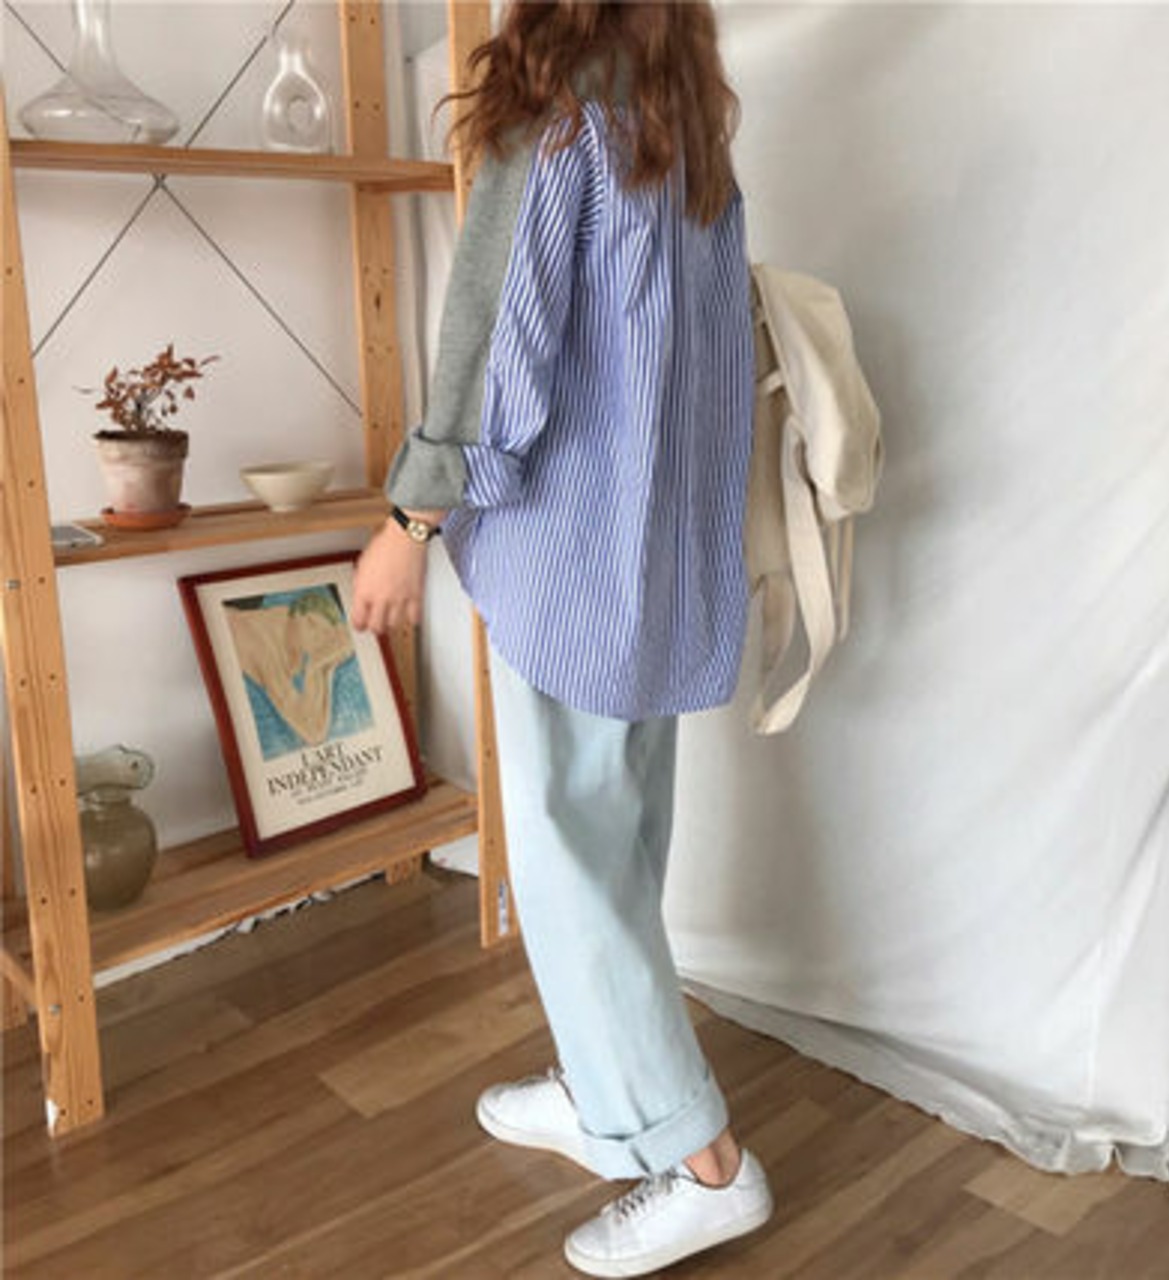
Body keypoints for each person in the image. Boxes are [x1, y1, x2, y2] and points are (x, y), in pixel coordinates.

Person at [351, 3, 769, 1274]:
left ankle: (702, 1162)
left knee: (567, 858)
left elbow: (493, 352)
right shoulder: (679, 112)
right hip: (657, 551)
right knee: (616, 839)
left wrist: (408, 517)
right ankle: (603, 1094)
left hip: (569, 549)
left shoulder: (558, 111)